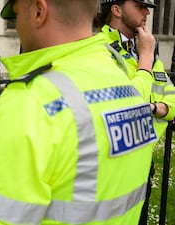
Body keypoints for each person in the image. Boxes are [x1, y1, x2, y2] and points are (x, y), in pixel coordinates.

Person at [0, 0, 159, 224]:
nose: (17, 26)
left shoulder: (30, 103)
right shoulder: (124, 83)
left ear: (39, 10)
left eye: (17, 15)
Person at [94, 1, 175, 223]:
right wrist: (146, 58)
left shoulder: (143, 48)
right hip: (110, 163)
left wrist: (157, 108)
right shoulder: (97, 48)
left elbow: (171, 97)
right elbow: (128, 103)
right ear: (116, 10)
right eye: (140, 5)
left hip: (141, 162)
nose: (147, 11)